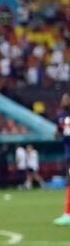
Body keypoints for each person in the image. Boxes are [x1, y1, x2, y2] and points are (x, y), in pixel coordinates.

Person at [54, 94, 70, 225]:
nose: (63, 101)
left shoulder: (62, 117)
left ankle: (68, 214)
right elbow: (58, 134)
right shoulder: (60, 117)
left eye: (65, 99)